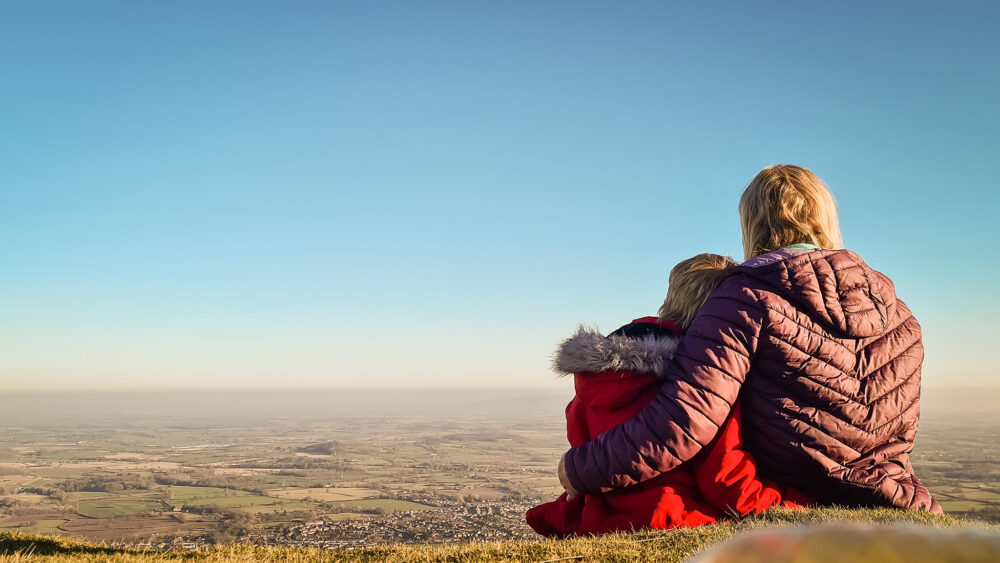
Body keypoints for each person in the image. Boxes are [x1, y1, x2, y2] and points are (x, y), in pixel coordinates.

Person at [557, 165, 941, 514]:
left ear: (752, 223)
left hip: (793, 496)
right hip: (895, 498)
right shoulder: (900, 313)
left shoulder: (744, 298)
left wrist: (579, 470)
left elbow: (686, 418)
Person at [527, 254, 810, 538]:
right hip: (673, 519)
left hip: (598, 523)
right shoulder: (701, 377)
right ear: (720, 311)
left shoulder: (597, 373)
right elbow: (728, 482)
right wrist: (803, 505)